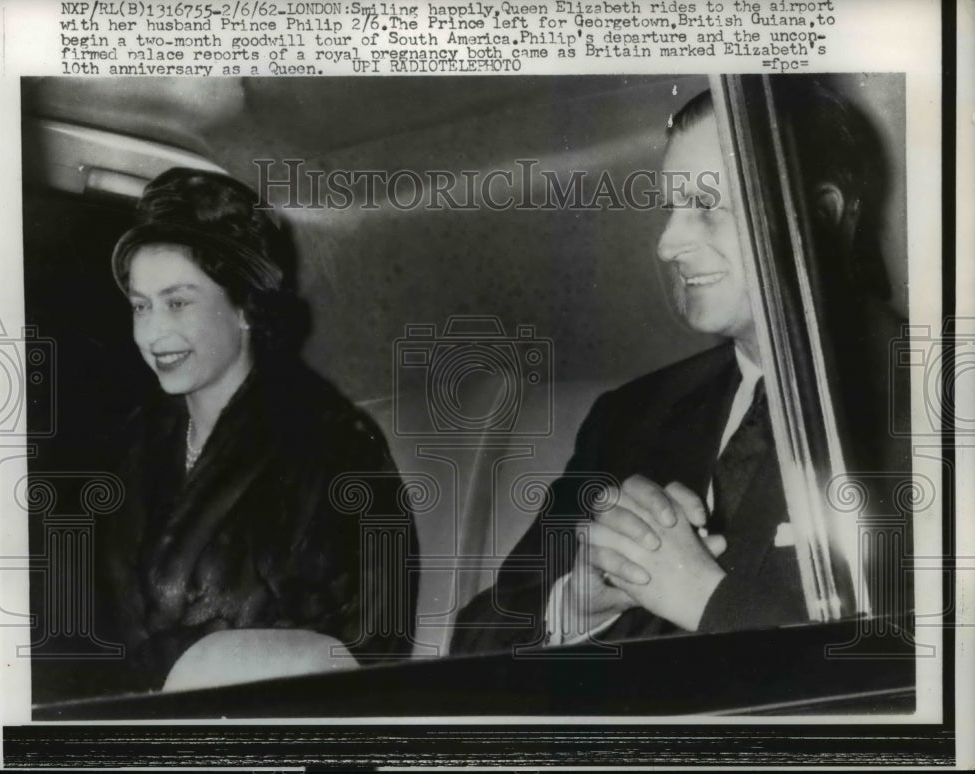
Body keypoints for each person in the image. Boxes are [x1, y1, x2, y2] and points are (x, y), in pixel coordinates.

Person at [451, 80, 907, 655]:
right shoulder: (629, 417)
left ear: (819, 217)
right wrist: (576, 603)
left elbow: (937, 679)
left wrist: (707, 599)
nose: (667, 243)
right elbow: (471, 641)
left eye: (708, 206)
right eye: (672, 207)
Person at [58, 168, 417, 698]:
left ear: (244, 308)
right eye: (141, 306)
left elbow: (368, 647)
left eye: (178, 302)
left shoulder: (331, 444)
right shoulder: (132, 442)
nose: (154, 332)